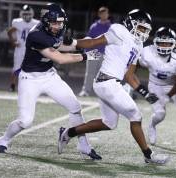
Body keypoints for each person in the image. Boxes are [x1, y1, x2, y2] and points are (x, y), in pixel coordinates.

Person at [58, 9, 169, 164]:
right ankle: (148, 155)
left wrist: (145, 93)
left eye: (146, 29)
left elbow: (129, 76)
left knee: (109, 123)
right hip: (107, 82)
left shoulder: (138, 44)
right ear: (131, 23)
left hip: (109, 84)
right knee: (135, 116)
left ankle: (68, 133)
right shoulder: (119, 31)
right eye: (141, 27)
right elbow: (93, 42)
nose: (143, 32)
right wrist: (74, 42)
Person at [0, 4, 101, 159]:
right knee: (25, 121)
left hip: (49, 76)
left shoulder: (57, 29)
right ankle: (3, 140)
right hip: (30, 79)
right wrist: (86, 56)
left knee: (75, 107)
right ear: (45, 21)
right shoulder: (36, 35)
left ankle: (84, 145)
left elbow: (67, 45)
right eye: (55, 22)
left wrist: (94, 43)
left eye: (60, 22)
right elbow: (60, 58)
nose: (58, 26)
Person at [78, 6, 112, 97]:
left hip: (105, 54)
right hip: (93, 53)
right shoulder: (94, 26)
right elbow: (89, 39)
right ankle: (85, 91)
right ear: (99, 14)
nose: (104, 15)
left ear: (108, 14)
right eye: (102, 13)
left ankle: (103, 93)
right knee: (90, 73)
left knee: (103, 75)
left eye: (106, 13)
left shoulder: (111, 27)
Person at [7, 5, 39, 92]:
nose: (27, 16)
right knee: (17, 68)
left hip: (31, 49)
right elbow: (9, 31)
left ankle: (32, 86)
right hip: (20, 49)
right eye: (25, 14)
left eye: (28, 14)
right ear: (21, 14)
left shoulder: (36, 23)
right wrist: (13, 42)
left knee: (33, 68)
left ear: (32, 14)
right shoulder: (17, 22)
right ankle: (13, 85)